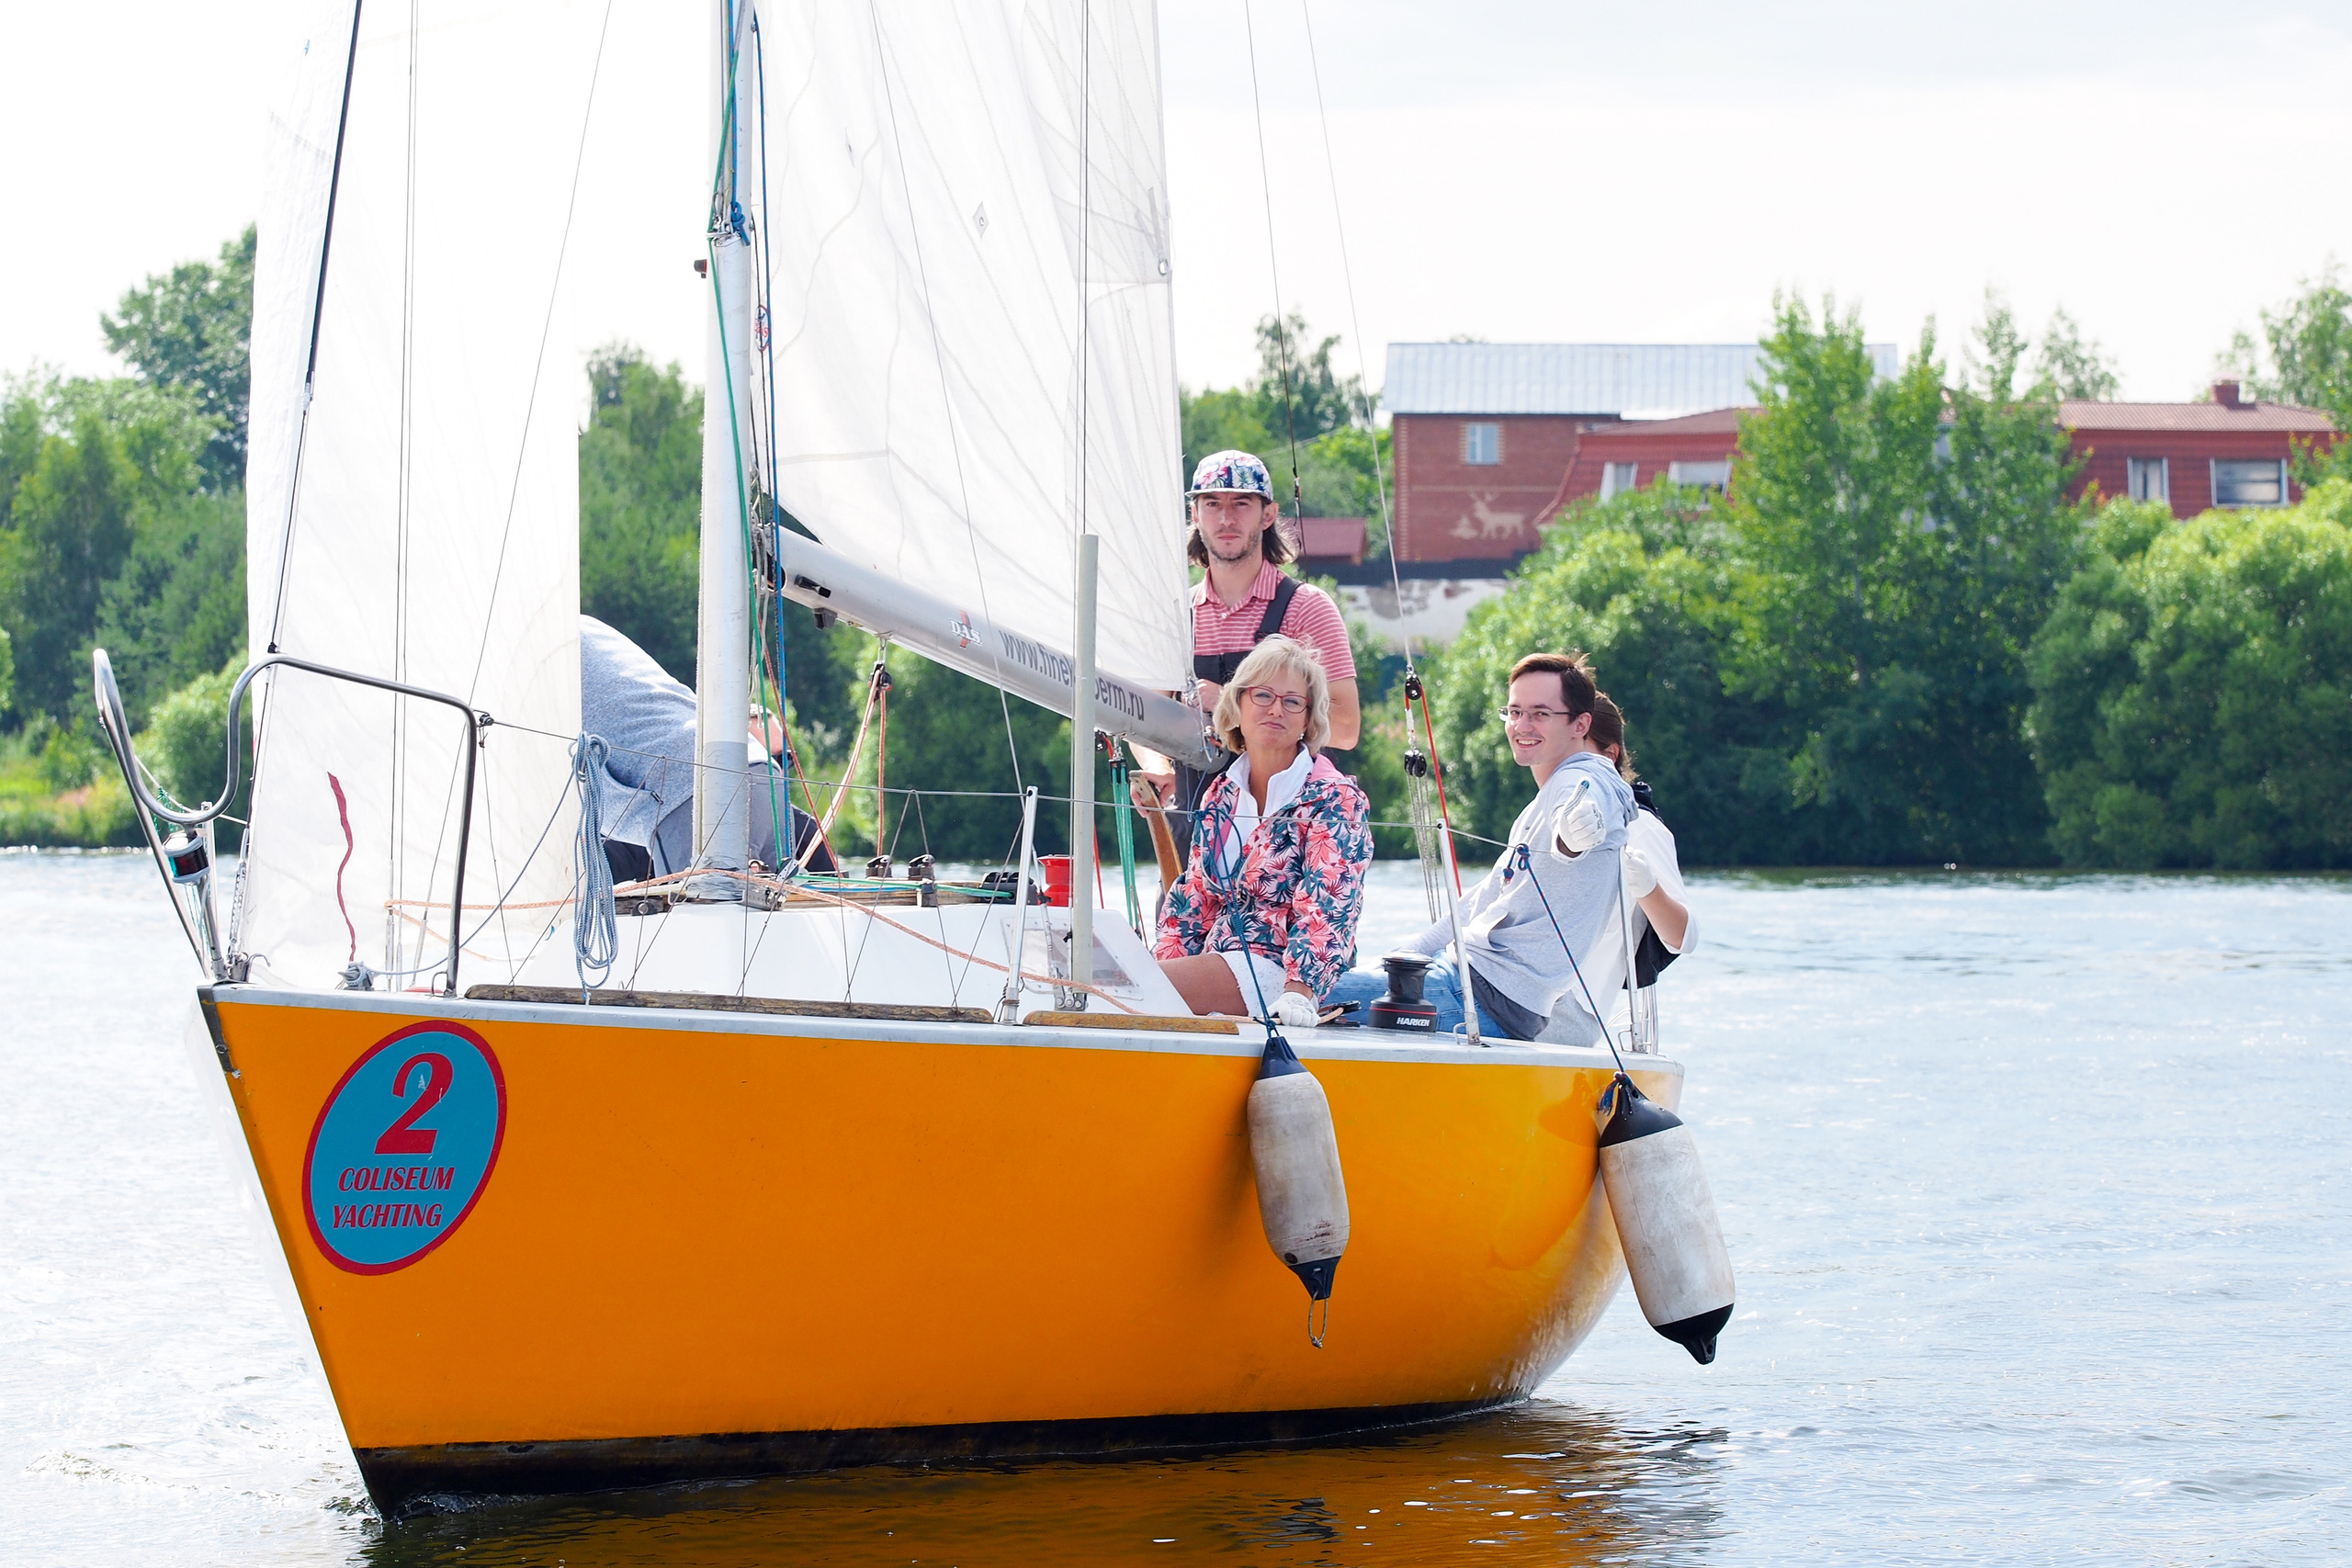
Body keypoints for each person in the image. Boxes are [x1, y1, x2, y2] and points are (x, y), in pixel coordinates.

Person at [1323, 651, 1634, 1043]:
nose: (1522, 725)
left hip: (1482, 998)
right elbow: (1486, 895)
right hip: (1460, 976)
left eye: (1540, 713)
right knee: (1317, 985)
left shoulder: (1589, 778)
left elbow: (1585, 811)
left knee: (1288, 996)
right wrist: (1408, 951)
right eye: (1515, 711)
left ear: (1580, 724)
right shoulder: (1542, 797)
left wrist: (1575, 832)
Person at [1132, 450, 1361, 856]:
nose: (1226, 518)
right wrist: (1157, 766)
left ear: (1268, 515)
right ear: (1195, 514)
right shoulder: (1175, 617)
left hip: (1288, 835)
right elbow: (1144, 718)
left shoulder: (1306, 608)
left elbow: (1344, 728)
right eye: (1212, 504)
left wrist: (1229, 703)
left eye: (1241, 504)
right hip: (1192, 831)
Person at [1153, 636, 1373, 1027]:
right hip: (1218, 962)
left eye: (1292, 702)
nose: (1276, 709)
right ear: (1237, 704)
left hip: (1279, 977)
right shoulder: (1221, 794)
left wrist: (1299, 991)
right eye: (1263, 696)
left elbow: (1328, 906)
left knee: (1132, 990)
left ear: (1308, 720)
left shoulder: (1334, 798)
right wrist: (1157, 972)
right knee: (1124, 986)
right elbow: (1194, 900)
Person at [578, 615, 834, 882]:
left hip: (688, 792)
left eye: (784, 757)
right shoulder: (585, 630)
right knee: (759, 913)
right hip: (740, 778)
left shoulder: (547, 637)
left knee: (703, 912)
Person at [1587, 694, 1695, 982]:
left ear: (1609, 755)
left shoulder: (1639, 825)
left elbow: (1683, 936)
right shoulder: (1542, 816)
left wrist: (1646, 886)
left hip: (1581, 1005)